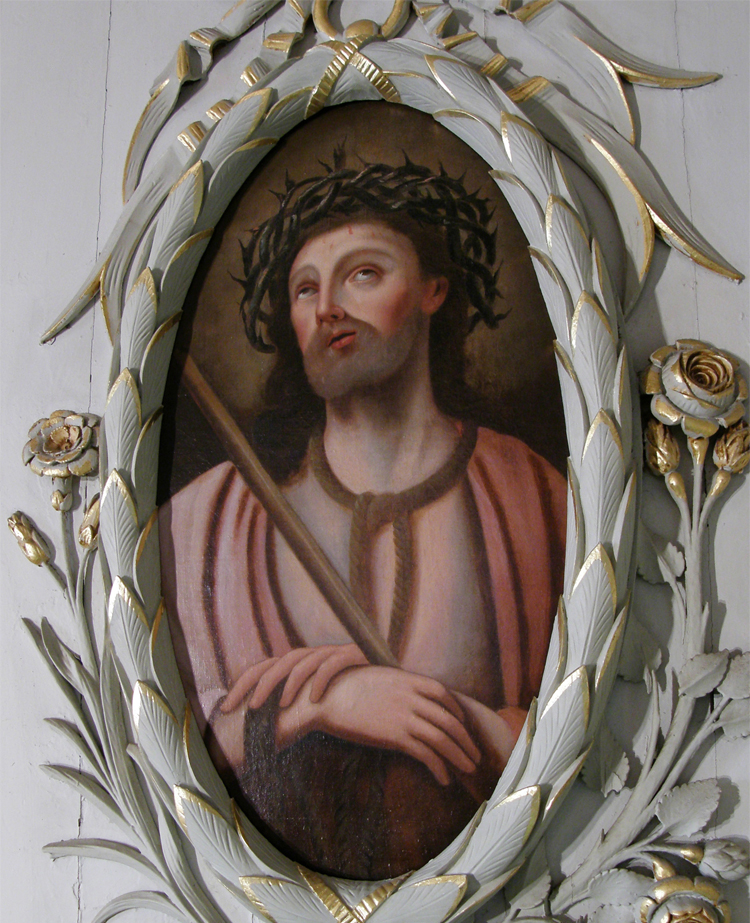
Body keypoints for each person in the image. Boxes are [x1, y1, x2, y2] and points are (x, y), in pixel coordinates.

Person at [159, 161, 566, 879]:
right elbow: (165, 750)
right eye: (305, 288)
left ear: (434, 289)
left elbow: (587, 728)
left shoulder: (535, 496)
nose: (327, 309)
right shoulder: (206, 521)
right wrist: (319, 705)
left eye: (363, 274)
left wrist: (465, 721)